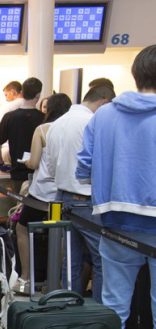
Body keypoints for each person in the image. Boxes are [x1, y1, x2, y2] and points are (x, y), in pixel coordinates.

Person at [75, 44, 156, 329]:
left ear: (136, 74)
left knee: (113, 312)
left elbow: (83, 167)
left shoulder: (103, 115)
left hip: (113, 222)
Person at [51, 84, 115, 300]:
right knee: (101, 260)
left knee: (70, 261)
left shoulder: (57, 123)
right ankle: (98, 314)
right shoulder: (92, 122)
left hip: (62, 198)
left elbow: (50, 167)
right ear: (105, 101)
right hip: (86, 198)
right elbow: (100, 163)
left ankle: (70, 312)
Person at [12, 93, 72, 295]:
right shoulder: (74, 130)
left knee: (22, 229)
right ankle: (54, 280)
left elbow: (35, 162)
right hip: (63, 194)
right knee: (61, 235)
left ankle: (26, 277)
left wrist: (27, 162)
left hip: (41, 194)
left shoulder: (42, 129)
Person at [0, 77, 45, 193]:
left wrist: (1, 164)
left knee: (19, 207)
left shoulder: (9, 117)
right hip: (40, 174)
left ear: (22, 92)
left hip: (17, 173)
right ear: (38, 95)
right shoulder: (44, 119)